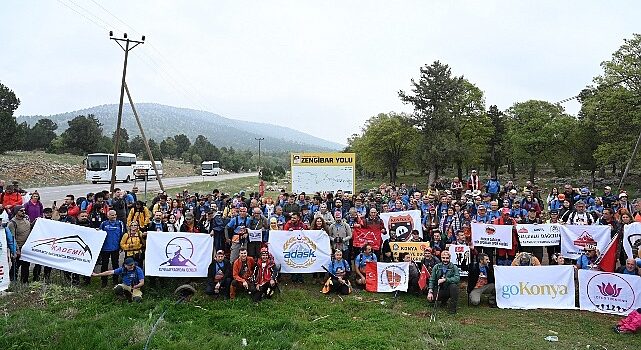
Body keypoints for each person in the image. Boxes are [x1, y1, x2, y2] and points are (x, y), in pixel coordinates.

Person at [99, 210, 126, 288]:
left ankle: (115, 280)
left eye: (115, 215)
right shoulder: (104, 224)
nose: (113, 216)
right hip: (105, 248)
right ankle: (104, 281)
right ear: (108, 216)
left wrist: (121, 246)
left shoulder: (120, 223)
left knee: (115, 264)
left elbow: (123, 235)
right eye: (111, 215)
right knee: (104, 265)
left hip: (115, 248)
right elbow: (99, 234)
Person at [7, 206, 33, 283]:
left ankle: (24, 282)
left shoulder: (26, 219)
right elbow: (12, 238)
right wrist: (16, 250)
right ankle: (12, 281)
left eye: (24, 210)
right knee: (16, 266)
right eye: (21, 211)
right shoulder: (12, 223)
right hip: (18, 248)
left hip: (26, 248)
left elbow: (29, 227)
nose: (23, 212)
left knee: (26, 266)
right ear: (16, 212)